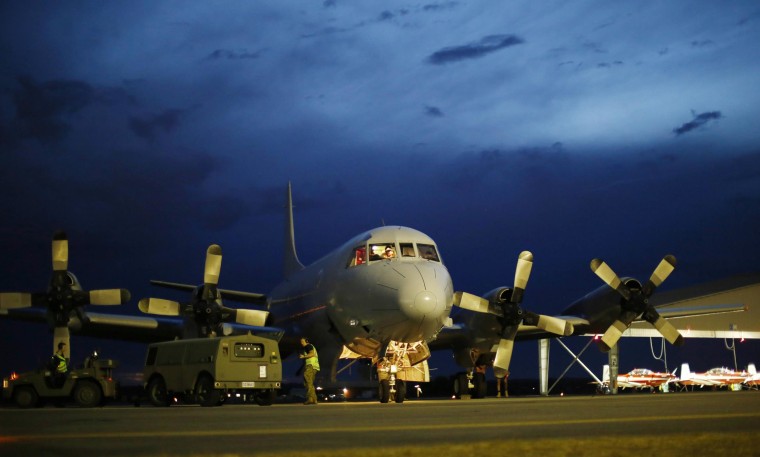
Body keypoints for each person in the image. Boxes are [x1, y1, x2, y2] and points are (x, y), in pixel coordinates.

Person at [299, 337, 320, 405]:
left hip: (311, 365)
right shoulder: (310, 346)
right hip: (314, 366)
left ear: (306, 341)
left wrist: (303, 357)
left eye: (302, 342)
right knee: (309, 382)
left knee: (307, 380)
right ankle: (313, 399)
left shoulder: (308, 346)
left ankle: (311, 399)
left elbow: (312, 354)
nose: (301, 343)